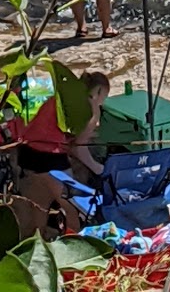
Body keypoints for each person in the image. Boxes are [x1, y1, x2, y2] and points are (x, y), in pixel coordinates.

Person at [10, 69, 110, 236]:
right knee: (75, 211)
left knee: (37, 217)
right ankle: (74, 248)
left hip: (27, 156)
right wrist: (100, 168)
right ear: (99, 92)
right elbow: (79, 148)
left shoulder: (61, 98)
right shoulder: (86, 108)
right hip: (52, 161)